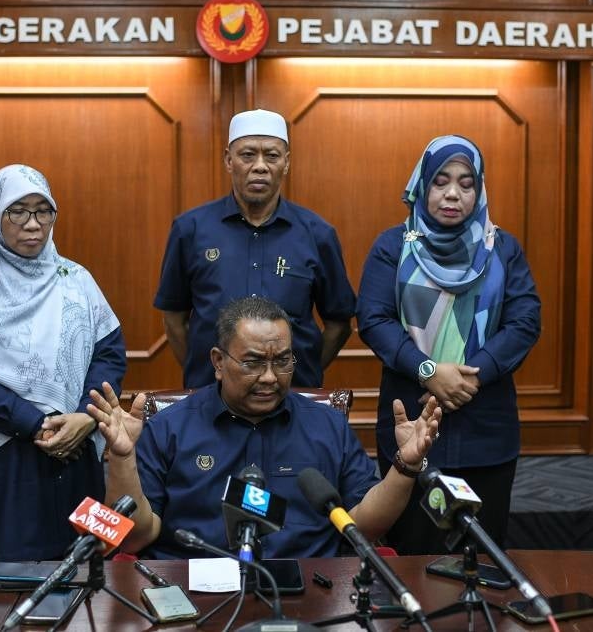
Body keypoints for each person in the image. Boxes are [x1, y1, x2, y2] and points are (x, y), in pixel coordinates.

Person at [88, 296, 441, 559]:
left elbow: (363, 525)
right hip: (193, 588)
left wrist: (405, 466)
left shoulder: (326, 425)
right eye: (254, 362)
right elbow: (135, 538)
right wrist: (122, 456)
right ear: (218, 362)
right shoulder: (170, 428)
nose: (270, 377)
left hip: (308, 590)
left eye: (282, 361)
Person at [0, 164, 125, 562]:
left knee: (84, 557)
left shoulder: (74, 280)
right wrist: (34, 424)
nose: (33, 224)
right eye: (18, 211)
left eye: (43, 211)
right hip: (5, 449)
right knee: (7, 563)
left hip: (76, 442)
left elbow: (110, 351)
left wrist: (85, 415)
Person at [356, 134, 541, 555]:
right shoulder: (393, 246)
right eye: (440, 181)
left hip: (485, 427)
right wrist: (429, 371)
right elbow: (373, 319)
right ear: (422, 184)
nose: (453, 193)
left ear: (479, 189)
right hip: (411, 426)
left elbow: (525, 321)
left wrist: (471, 376)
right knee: (413, 552)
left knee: (483, 555)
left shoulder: (503, 248)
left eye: (465, 182)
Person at [154, 109, 355, 389]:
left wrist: (302, 370)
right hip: (210, 397)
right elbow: (174, 319)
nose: (260, 166)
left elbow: (339, 324)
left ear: (286, 162)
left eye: (271, 156)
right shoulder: (190, 229)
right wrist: (211, 372)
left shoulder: (317, 234)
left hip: (293, 397)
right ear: (228, 160)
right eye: (248, 155)